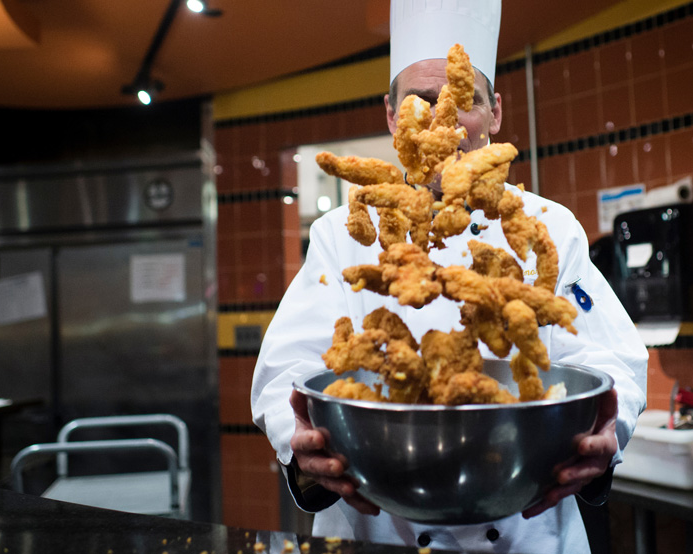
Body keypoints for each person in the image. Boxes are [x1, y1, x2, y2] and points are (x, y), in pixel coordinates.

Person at [251, 1, 648, 551]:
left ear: (496, 114)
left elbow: (609, 361)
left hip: (527, 526)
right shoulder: (342, 233)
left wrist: (610, 428)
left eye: (464, 103)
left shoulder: (549, 226)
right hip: (378, 527)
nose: (443, 121)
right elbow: (285, 369)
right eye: (420, 102)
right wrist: (299, 443)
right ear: (392, 118)